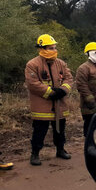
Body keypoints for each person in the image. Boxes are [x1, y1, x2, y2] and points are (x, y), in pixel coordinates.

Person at [25, 34, 73, 166]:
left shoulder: (61, 63)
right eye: (51, 48)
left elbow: (69, 78)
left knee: (60, 129)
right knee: (40, 131)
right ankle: (35, 154)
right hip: (42, 105)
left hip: (60, 104)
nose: (54, 50)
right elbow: (32, 83)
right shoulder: (32, 64)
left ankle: (60, 150)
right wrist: (50, 93)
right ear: (42, 48)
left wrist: (63, 90)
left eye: (55, 47)